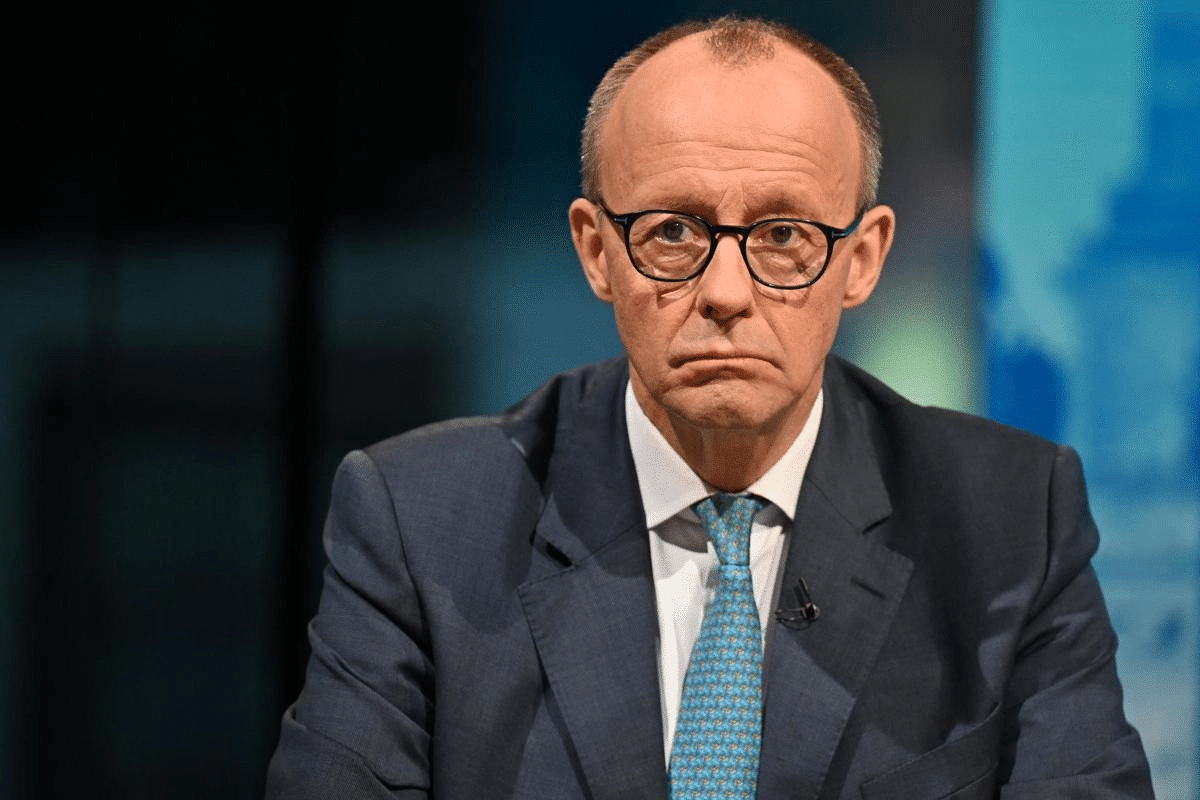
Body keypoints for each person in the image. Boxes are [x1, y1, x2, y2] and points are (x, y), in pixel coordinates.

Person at [266, 16, 1153, 799]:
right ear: (597, 250)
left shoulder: (1009, 524)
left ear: (863, 260)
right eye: (674, 232)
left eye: (783, 235)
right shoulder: (422, 521)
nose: (725, 291)